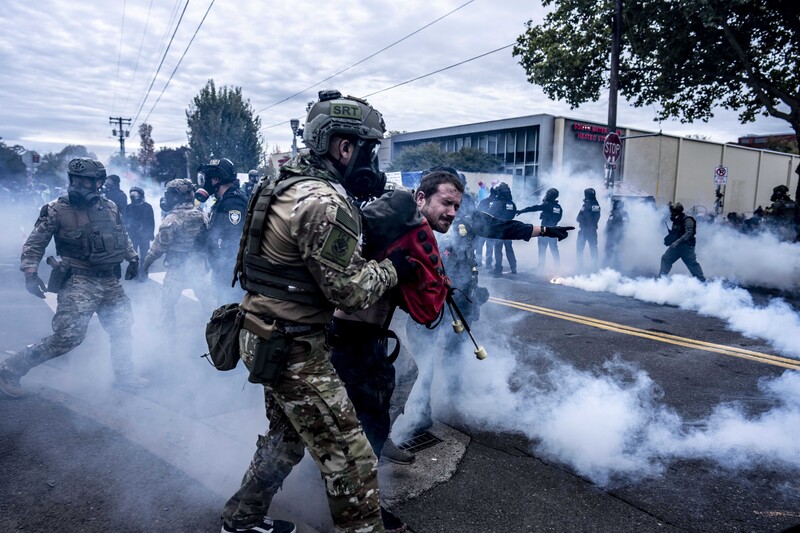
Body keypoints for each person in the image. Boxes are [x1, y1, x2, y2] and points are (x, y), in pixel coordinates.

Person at [221, 90, 415, 533]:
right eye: (369, 150)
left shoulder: (280, 184)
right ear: (344, 147)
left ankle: (240, 518)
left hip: (263, 331)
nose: (372, 162)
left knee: (286, 439)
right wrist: (392, 269)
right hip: (293, 346)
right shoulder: (324, 201)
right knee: (350, 456)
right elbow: (350, 292)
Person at [403, 169, 574, 451]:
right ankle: (418, 414)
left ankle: (454, 398)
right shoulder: (407, 218)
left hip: (460, 298)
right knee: (423, 359)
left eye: (456, 203)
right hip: (425, 302)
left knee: (456, 350)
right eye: (446, 202)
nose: (451, 210)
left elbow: (503, 227)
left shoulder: (465, 217)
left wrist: (544, 230)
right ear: (424, 196)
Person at [0, 158, 146, 398]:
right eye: (75, 179)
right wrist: (30, 272)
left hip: (109, 280)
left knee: (121, 328)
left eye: (86, 181)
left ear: (98, 183)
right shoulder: (56, 209)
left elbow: (122, 234)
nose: (79, 185)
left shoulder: (110, 207)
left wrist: (133, 258)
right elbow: (35, 243)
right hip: (78, 280)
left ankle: (125, 377)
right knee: (67, 338)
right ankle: (10, 370)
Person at [141, 179, 211, 331]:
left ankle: (168, 334)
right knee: (209, 304)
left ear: (174, 196)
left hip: (177, 269)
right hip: (198, 267)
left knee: (167, 305)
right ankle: (220, 332)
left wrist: (145, 264)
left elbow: (158, 248)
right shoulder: (202, 216)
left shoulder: (171, 220)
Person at [197, 157, 248, 306]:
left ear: (215, 179)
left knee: (231, 308)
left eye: (208, 179)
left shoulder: (233, 202)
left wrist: (221, 267)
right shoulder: (223, 200)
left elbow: (233, 241)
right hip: (224, 271)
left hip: (230, 273)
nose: (206, 183)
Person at [517, 187, 563, 269]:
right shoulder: (558, 207)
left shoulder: (547, 205)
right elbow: (558, 218)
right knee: (554, 249)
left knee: (542, 249)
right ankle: (557, 267)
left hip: (544, 230)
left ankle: (541, 267)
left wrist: (521, 211)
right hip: (554, 230)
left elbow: (534, 208)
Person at [659, 202, 705, 281]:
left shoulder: (688, 220)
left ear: (678, 211)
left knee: (692, 264)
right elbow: (676, 232)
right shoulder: (676, 220)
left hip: (686, 247)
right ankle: (662, 279)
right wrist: (669, 239)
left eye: (673, 211)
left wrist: (677, 242)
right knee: (666, 259)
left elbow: (688, 233)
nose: (671, 213)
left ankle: (701, 281)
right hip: (676, 247)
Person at [484, 181, 518, 275]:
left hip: (499, 229)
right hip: (509, 228)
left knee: (498, 249)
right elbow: (512, 215)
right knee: (509, 248)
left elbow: (489, 214)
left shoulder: (497, 203)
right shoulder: (511, 203)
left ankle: (498, 268)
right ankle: (513, 268)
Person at [125, 186, 155, 265]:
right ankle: (134, 270)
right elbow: (126, 221)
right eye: (132, 196)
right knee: (133, 256)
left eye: (135, 196)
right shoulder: (129, 207)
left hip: (144, 235)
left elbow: (151, 222)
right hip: (133, 235)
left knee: (145, 256)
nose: (134, 198)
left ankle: (144, 270)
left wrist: (150, 234)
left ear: (141, 196)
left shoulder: (148, 207)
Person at [576, 187, 601, 271]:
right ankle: (583, 266)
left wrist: (585, 222)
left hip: (588, 230)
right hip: (587, 229)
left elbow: (594, 218)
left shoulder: (592, 205)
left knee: (590, 248)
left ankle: (592, 266)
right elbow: (579, 217)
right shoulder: (590, 204)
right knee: (585, 248)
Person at [603, 198, 628, 270]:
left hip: (616, 234)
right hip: (613, 234)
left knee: (615, 250)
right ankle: (608, 264)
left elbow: (609, 224)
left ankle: (615, 265)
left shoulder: (618, 214)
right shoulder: (621, 214)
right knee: (610, 250)